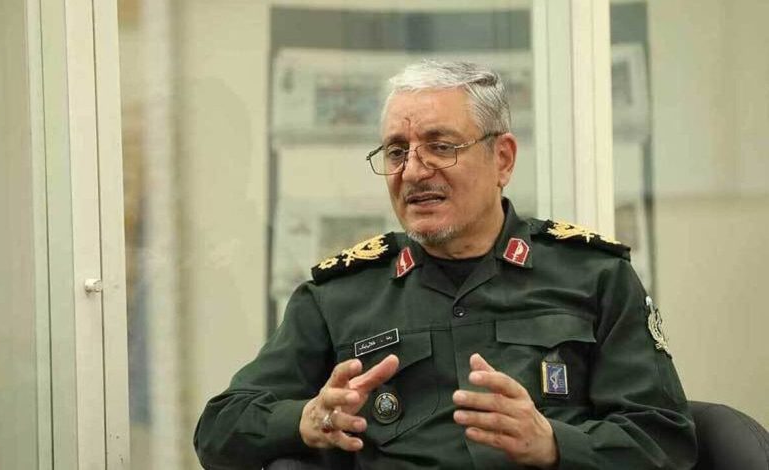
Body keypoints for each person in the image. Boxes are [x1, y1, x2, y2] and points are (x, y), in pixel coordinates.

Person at [194, 60, 697, 469]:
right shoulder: (340, 296)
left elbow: (665, 440)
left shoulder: (595, 277)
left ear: (502, 159)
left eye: (440, 146)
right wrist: (306, 419)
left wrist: (552, 444)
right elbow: (219, 428)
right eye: (397, 152)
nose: (414, 171)